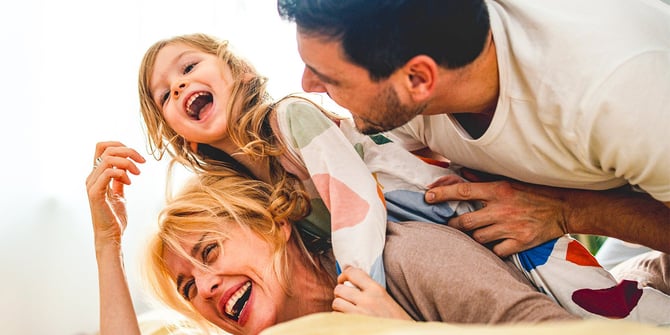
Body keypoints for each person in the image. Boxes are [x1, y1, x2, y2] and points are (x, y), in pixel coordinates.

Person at [135, 33, 669, 323]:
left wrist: (359, 292)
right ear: (176, 132)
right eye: (165, 94)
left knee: (584, 295)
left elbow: (354, 203)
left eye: (189, 68)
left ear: (241, 73)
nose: (180, 87)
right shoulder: (246, 182)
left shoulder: (289, 119)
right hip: (422, 226)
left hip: (449, 201)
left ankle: (650, 314)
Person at [276, 0, 670, 259]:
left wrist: (567, 211)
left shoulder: (618, 92)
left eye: (329, 77)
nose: (307, 85)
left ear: (418, 79)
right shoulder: (406, 80)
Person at [86, 144, 578, 335]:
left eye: (209, 251)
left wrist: (402, 331)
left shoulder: (408, 259)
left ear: (273, 222)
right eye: (188, 288)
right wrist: (107, 244)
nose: (207, 287)